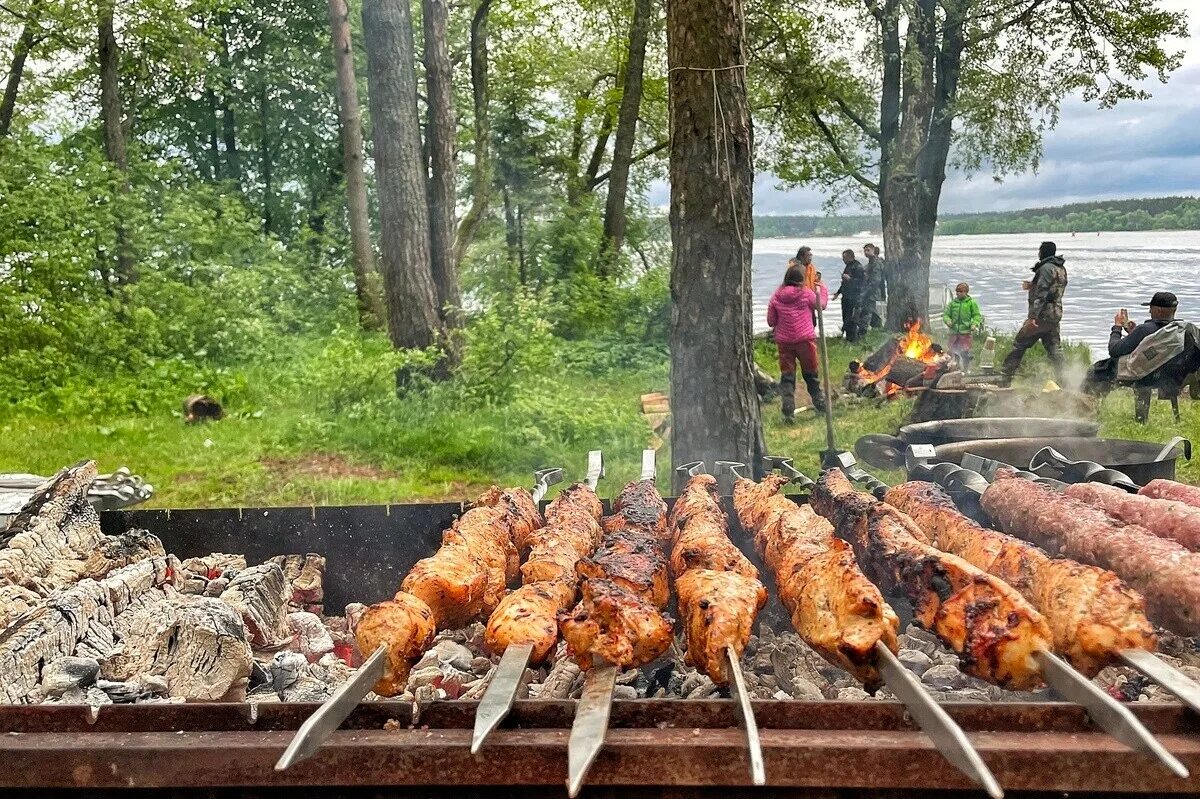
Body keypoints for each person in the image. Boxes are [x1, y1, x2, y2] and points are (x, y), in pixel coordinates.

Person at [1083, 292, 1180, 394]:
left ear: (1159, 310)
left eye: (1151, 308)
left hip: (1142, 375)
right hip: (1165, 375)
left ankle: (1085, 404)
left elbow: (1114, 350)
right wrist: (1133, 333)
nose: (1149, 311)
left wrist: (1117, 327)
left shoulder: (1144, 330)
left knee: (1096, 371)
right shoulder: (1177, 330)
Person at [767, 263, 829, 422]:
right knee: (811, 374)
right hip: (805, 340)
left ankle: (788, 410)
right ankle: (820, 404)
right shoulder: (806, 293)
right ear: (801, 279)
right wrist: (822, 288)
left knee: (787, 376)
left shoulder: (776, 295)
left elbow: (771, 320)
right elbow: (821, 306)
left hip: (785, 342)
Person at [1000, 241, 1068, 385]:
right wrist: (1032, 285)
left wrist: (1032, 318)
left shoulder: (1045, 268)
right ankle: (1064, 382)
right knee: (1055, 349)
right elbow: (1054, 290)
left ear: (1043, 252)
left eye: (1039, 250)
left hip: (1041, 316)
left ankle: (1005, 377)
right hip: (1055, 315)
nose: (1038, 253)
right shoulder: (1060, 268)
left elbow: (1042, 294)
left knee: (1019, 343)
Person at [942, 282, 983, 369]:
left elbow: (976, 315)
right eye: (957, 291)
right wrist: (948, 321)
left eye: (960, 291)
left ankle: (966, 369)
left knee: (964, 352)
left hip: (965, 333)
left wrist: (974, 324)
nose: (958, 293)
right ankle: (955, 368)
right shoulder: (953, 304)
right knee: (953, 352)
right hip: (953, 332)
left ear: (966, 292)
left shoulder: (971, 303)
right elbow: (946, 315)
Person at [832, 249, 868, 343]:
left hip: (854, 297)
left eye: (844, 258)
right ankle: (848, 338)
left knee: (852, 318)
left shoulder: (858, 267)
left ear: (850, 257)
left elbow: (862, 283)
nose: (843, 260)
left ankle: (853, 339)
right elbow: (844, 283)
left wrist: (850, 279)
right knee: (846, 317)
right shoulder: (848, 266)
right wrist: (838, 292)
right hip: (846, 296)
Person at [863, 244, 887, 328]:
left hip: (873, 292)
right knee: (870, 310)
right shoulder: (870, 263)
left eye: (868, 250)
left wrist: (867, 292)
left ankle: (869, 330)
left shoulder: (876, 263)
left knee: (868, 311)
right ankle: (877, 328)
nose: (866, 252)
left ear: (874, 251)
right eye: (865, 250)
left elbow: (876, 281)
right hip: (870, 291)